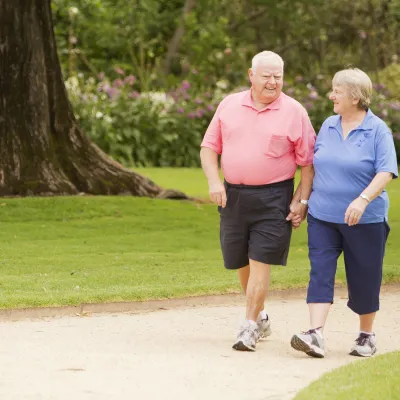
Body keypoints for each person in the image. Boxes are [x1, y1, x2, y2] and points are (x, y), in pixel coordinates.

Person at [200, 50, 316, 352]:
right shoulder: (229, 105)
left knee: (260, 261)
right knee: (241, 261)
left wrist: (301, 201)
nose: (273, 82)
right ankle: (261, 317)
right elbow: (209, 148)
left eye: (278, 76)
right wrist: (214, 182)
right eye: (266, 75)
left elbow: (308, 164)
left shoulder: (294, 111)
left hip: (273, 198)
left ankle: (248, 326)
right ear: (251, 76)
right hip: (233, 196)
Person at [291, 68, 398, 358]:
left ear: (354, 95)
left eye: (336, 90)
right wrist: (302, 201)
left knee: (365, 276)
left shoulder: (378, 130)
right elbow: (312, 166)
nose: (331, 95)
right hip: (323, 216)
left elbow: (386, 171)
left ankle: (366, 335)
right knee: (320, 271)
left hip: (364, 220)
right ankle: (315, 334)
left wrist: (362, 200)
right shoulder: (328, 124)